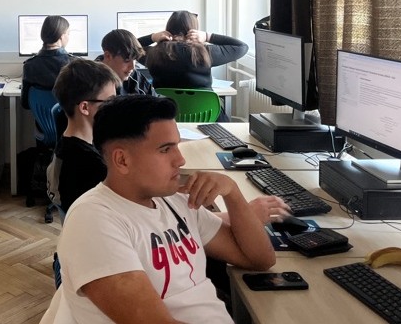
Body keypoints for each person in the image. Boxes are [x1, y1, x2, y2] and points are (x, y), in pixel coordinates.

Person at [40, 95, 276, 323]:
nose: (180, 160)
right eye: (165, 149)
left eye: (177, 146)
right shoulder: (93, 221)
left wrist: (232, 192)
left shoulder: (174, 201)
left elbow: (259, 259)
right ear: (122, 160)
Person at [142, 11, 248, 121]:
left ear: (168, 29)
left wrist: (153, 37)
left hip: (166, 118)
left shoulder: (154, 54)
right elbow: (242, 47)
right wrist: (207, 36)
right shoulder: (204, 53)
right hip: (206, 119)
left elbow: (131, 47)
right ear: (193, 30)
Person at [47, 59, 120, 212]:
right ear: (85, 107)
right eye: (110, 102)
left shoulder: (66, 144)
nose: (114, 108)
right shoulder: (91, 165)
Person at [20, 15, 75, 110]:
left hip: (41, 120)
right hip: (69, 119)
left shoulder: (29, 65)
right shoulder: (75, 64)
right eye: (68, 33)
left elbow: (25, 104)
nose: (68, 37)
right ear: (62, 36)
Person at [95, 29, 156, 96]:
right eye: (127, 60)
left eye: (135, 59)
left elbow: (155, 99)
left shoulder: (135, 77)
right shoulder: (90, 82)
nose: (132, 67)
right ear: (108, 56)